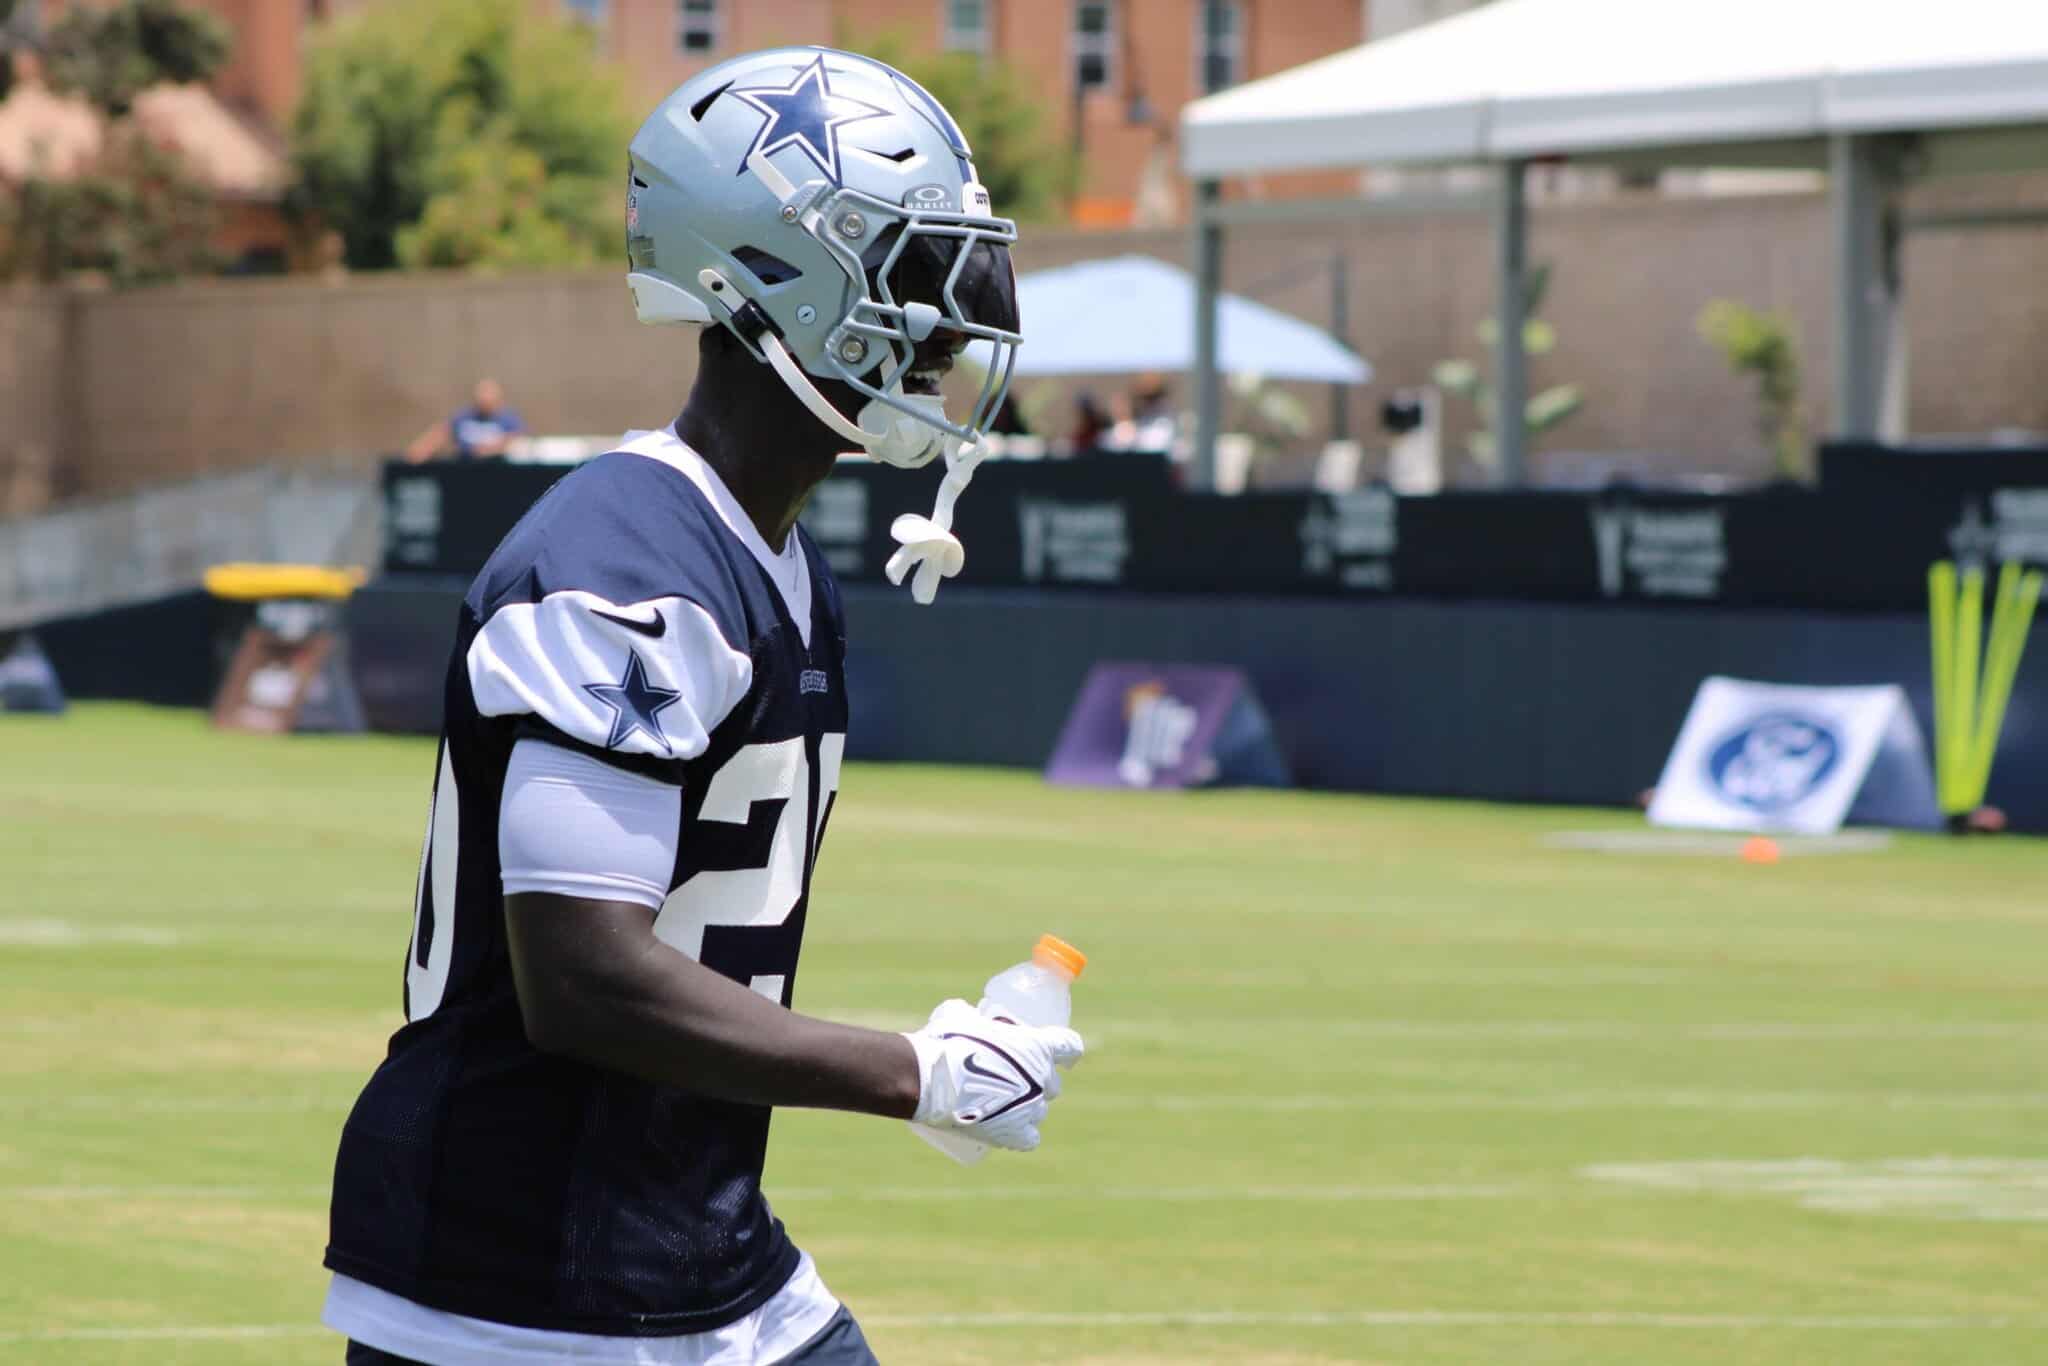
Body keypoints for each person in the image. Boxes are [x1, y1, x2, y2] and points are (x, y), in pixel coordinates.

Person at [322, 47, 1078, 1366]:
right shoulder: (619, 564)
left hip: (700, 1245)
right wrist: (914, 1072)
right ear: (773, 275)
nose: (953, 323)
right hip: (515, 1287)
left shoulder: (779, 564)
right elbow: (583, 977)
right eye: (911, 270)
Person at [404, 379, 524, 462]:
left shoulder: (508, 419)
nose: (484, 402)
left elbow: (515, 440)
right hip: (466, 467)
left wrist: (489, 450)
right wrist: (422, 449)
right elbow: (443, 432)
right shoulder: (464, 417)